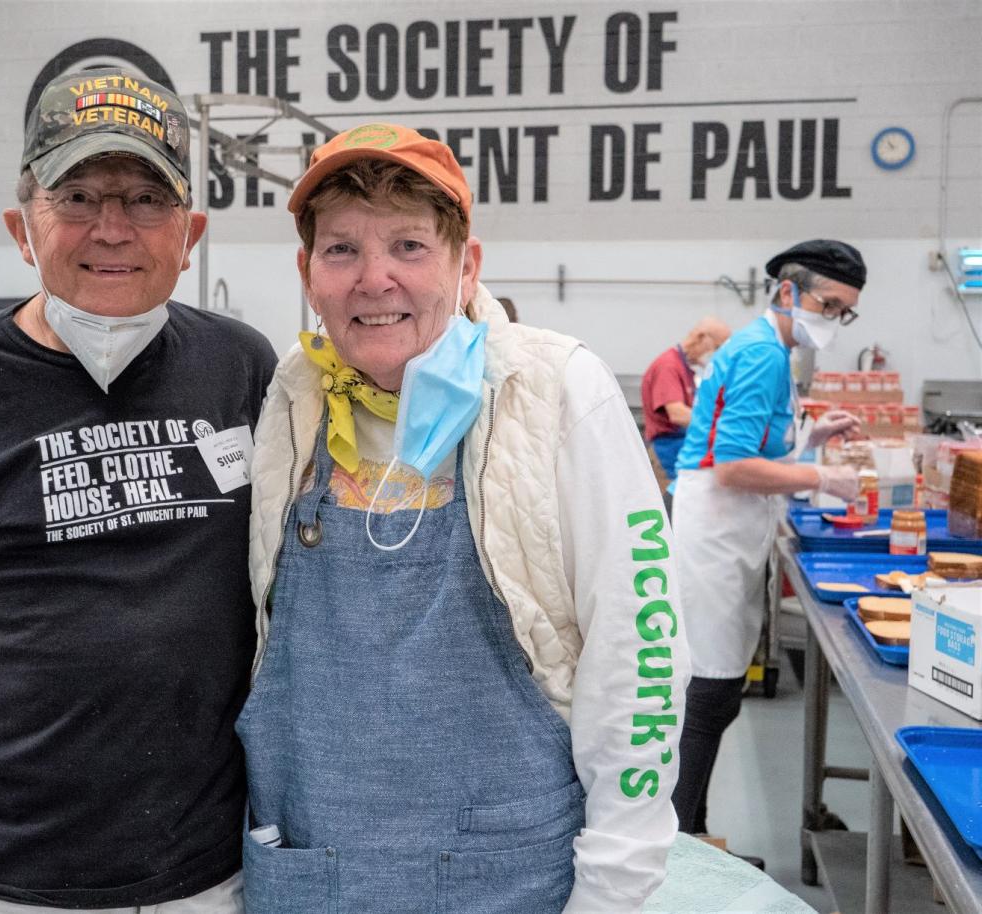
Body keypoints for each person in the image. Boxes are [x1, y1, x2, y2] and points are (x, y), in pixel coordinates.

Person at [0, 69, 276, 913]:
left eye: (148, 197)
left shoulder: (241, 369)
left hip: (204, 878)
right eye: (77, 195)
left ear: (191, 234)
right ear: (21, 229)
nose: (113, 228)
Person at [238, 123, 689, 913]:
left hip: (509, 881)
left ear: (466, 263)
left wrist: (614, 890)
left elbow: (639, 653)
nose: (374, 279)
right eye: (341, 250)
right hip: (316, 874)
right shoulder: (292, 399)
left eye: (409, 246)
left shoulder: (553, 392)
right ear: (308, 274)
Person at [669, 240, 866, 839]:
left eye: (844, 312)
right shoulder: (761, 353)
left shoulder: (771, 352)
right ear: (788, 292)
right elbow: (731, 465)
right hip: (716, 528)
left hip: (730, 528)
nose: (832, 321)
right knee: (710, 691)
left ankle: (693, 832)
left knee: (719, 688)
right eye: (828, 305)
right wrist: (823, 476)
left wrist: (809, 441)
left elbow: (756, 447)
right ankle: (677, 844)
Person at [641, 317, 731, 492]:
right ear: (702, 337)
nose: (718, 353)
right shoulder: (669, 366)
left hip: (678, 444)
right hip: (669, 448)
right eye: (718, 347)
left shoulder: (684, 367)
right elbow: (677, 414)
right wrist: (723, 426)